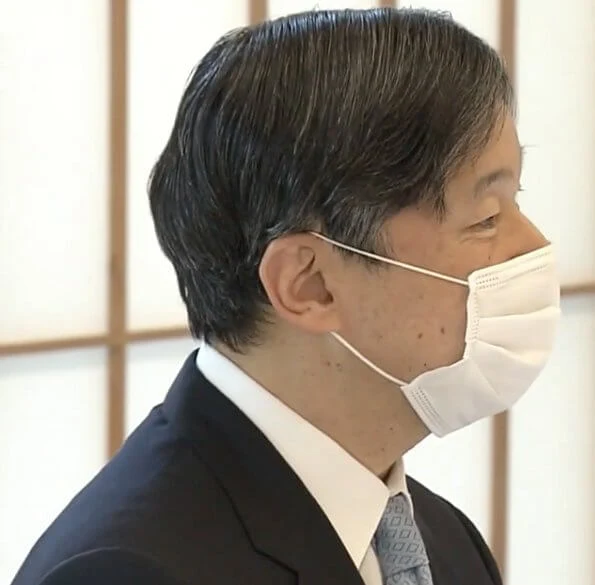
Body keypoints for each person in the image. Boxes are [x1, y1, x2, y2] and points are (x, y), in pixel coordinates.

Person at [11, 7, 560, 585]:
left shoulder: (444, 542)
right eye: (487, 217)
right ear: (310, 285)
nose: (534, 244)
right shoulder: (126, 572)